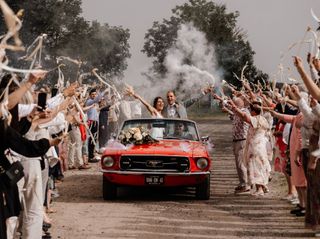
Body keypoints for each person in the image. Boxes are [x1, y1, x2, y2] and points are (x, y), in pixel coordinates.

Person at [229, 100, 271, 196]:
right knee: (261, 166)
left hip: (255, 147)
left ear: (253, 112)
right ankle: (263, 186)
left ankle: (259, 189)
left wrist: (234, 107)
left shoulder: (255, 119)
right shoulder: (263, 119)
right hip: (261, 147)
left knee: (255, 168)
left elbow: (244, 117)